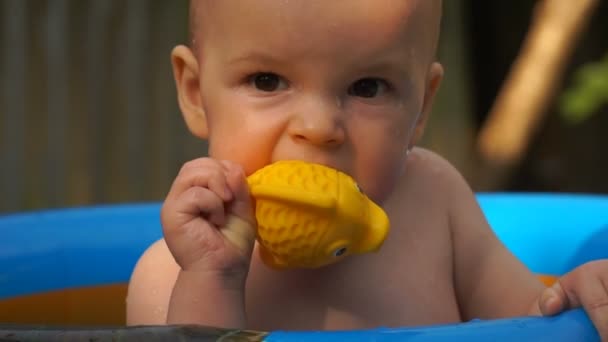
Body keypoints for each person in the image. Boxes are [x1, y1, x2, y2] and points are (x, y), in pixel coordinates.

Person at [126, 0, 608, 338]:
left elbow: (530, 325)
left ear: (421, 108)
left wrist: (575, 298)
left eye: (368, 88)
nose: (319, 128)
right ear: (195, 93)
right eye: (267, 80)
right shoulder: (171, 274)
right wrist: (213, 281)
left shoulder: (436, 203)